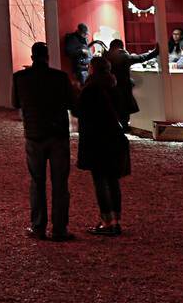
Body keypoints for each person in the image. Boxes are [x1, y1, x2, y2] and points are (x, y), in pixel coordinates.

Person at [12, 41, 76, 241]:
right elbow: (72, 103)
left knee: (37, 182)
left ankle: (38, 226)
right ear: (47, 56)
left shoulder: (20, 78)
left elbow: (15, 103)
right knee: (60, 183)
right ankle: (59, 228)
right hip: (57, 133)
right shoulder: (60, 77)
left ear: (32, 57)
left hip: (34, 134)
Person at [74, 56, 130, 236]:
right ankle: (117, 219)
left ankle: (107, 221)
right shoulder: (114, 87)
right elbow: (123, 111)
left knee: (100, 180)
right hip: (114, 138)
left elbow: (78, 111)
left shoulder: (90, 89)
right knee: (113, 180)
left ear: (93, 69)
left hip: (96, 139)